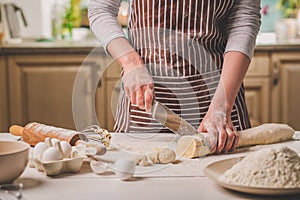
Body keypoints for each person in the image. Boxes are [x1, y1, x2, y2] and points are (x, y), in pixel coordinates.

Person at [88, 0, 261, 154]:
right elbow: (100, 8)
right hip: (147, 104)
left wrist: (221, 107)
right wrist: (130, 62)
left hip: (218, 101)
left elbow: (244, 20)